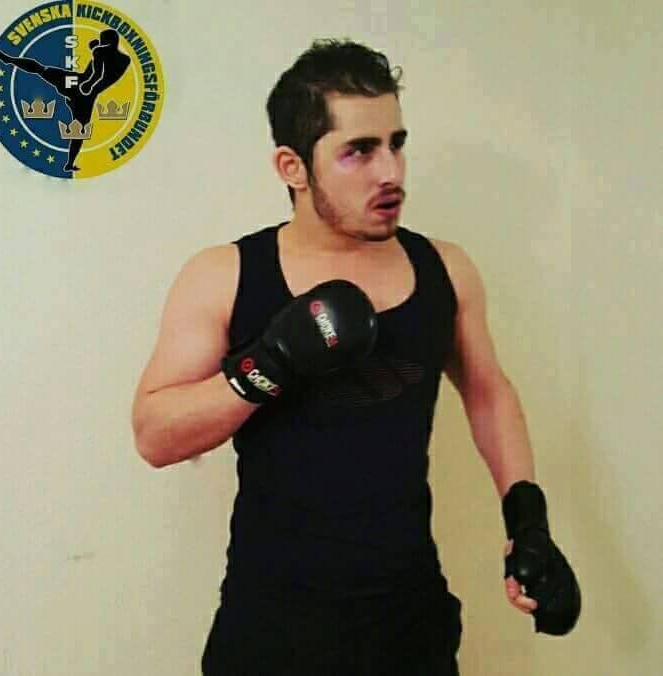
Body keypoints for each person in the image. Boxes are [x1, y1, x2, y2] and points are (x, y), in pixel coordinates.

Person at [131, 39, 580, 676]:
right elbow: (155, 436)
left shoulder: (444, 269)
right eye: (359, 151)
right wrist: (269, 363)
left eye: (396, 144)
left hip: (410, 621)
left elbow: (487, 392)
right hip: (272, 628)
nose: (390, 172)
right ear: (292, 166)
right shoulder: (226, 275)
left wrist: (528, 520)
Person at [0, 29, 130, 172]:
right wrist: (91, 85)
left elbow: (98, 75)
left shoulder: (101, 52)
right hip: (83, 90)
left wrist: (89, 85)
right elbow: (105, 77)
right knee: (79, 129)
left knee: (41, 70)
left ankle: (9, 60)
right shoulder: (123, 59)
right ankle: (69, 163)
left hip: (80, 85)